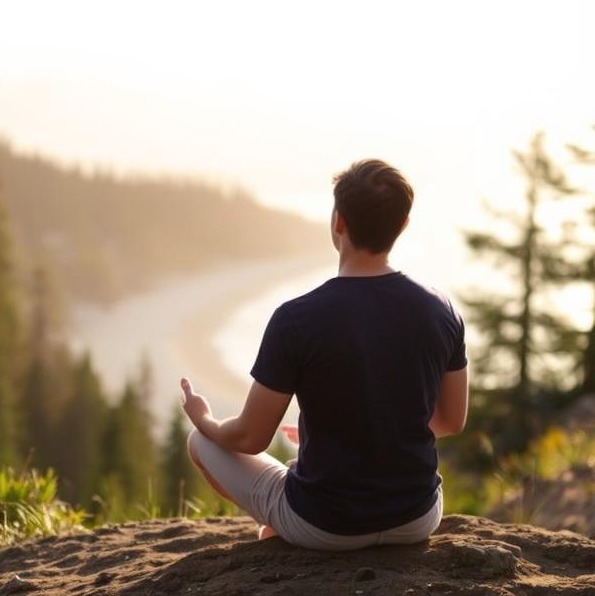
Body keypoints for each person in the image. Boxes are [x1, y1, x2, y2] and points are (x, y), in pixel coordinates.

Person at [180, 159, 468, 551]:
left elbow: (249, 437)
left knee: (200, 442)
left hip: (326, 527)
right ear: (402, 226)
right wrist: (351, 432)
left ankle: (285, 527)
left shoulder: (296, 318)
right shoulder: (441, 310)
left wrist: (205, 418)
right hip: (417, 518)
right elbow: (451, 420)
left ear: (338, 222)